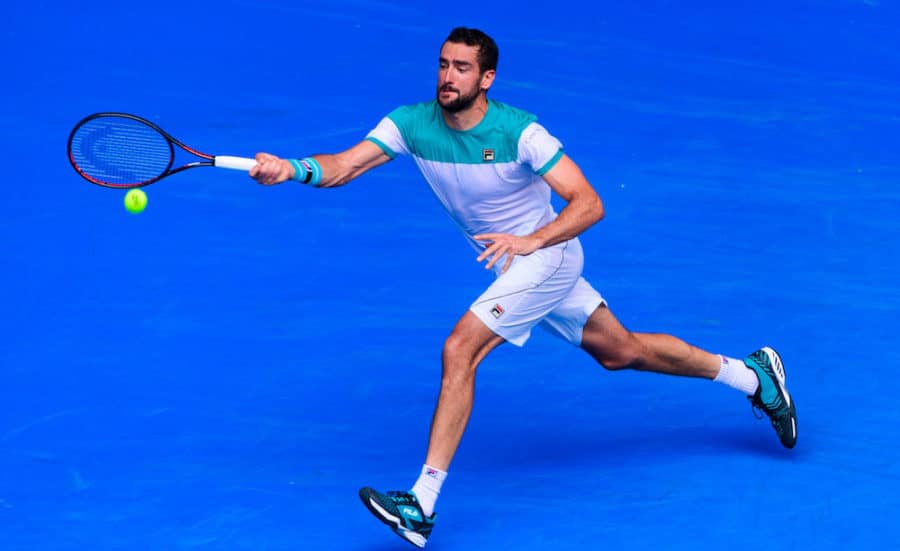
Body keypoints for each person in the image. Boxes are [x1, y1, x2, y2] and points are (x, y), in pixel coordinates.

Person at [249, 27, 798, 549]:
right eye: (443, 64)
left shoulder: (521, 132)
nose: (448, 76)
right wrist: (291, 169)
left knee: (459, 349)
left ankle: (422, 502)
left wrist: (532, 240)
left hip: (547, 254)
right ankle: (752, 376)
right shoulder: (410, 123)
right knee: (620, 351)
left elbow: (589, 203)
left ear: (486, 79)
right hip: (514, 267)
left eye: (462, 68)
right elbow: (343, 166)